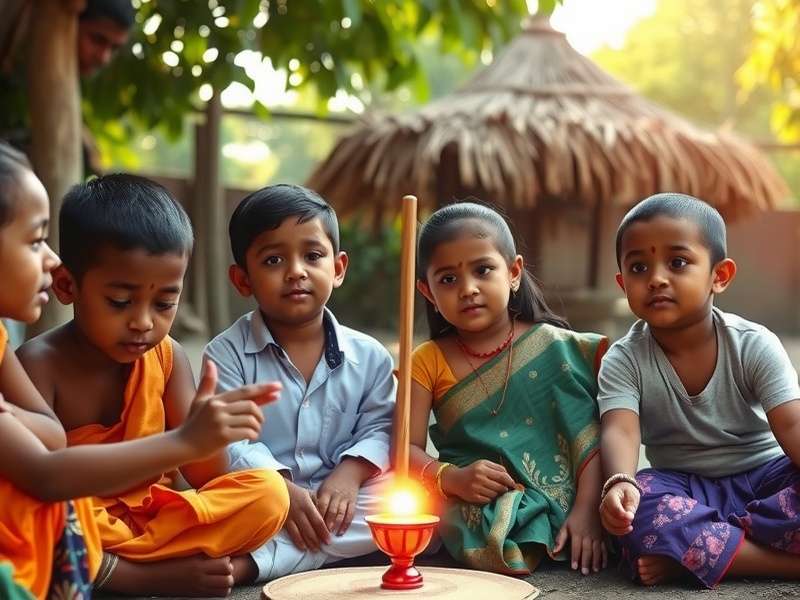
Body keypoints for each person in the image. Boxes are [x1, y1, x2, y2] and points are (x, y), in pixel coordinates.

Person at [0, 143, 277, 598]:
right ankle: (141, 576)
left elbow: (207, 475)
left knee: (268, 494)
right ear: (69, 286)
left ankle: (121, 565)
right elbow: (45, 472)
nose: (144, 322)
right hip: (82, 515)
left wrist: (210, 433)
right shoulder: (38, 362)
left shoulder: (167, 359)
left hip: (149, 518)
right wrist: (181, 441)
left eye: (165, 303)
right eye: (120, 302)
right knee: (60, 512)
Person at [598, 192, 800, 588]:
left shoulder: (753, 344)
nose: (656, 278)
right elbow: (619, 430)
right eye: (639, 267)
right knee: (636, 510)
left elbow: (792, 424)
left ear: (718, 276)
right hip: (683, 488)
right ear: (623, 283)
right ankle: (777, 561)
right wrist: (620, 481)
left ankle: (700, 555)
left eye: (677, 262)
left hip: (765, 479)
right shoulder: (623, 359)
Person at [204, 184, 396, 581]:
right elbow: (227, 444)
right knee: (214, 504)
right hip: (264, 499)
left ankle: (254, 564)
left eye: (312, 256)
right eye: (273, 259)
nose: (296, 271)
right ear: (243, 280)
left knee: (416, 501)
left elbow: (382, 426)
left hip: (343, 500)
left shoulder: (371, 355)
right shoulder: (225, 355)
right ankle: (327, 552)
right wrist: (283, 493)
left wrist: (351, 471)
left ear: (338, 268)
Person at [407, 201, 608, 576]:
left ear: (514, 272)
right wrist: (452, 478)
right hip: (476, 502)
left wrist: (586, 513)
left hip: (573, 497)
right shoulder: (427, 360)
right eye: (448, 279)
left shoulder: (555, 347)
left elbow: (589, 435)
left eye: (483, 270)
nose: (468, 289)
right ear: (427, 292)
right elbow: (404, 450)